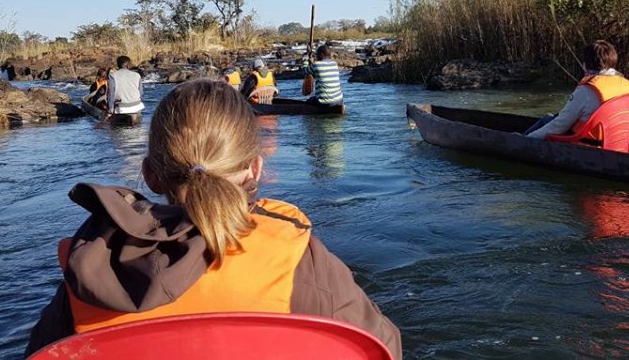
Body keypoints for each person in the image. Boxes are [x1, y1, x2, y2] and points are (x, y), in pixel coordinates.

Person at [24, 80, 402, 358]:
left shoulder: (89, 269)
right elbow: (382, 349)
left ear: (151, 174)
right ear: (254, 169)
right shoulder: (301, 261)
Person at [524, 40, 629, 139]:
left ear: (585, 64)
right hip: (619, 139)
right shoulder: (628, 86)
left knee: (547, 119)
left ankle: (522, 140)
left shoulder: (586, 90)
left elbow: (560, 125)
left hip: (587, 141)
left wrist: (529, 138)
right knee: (552, 117)